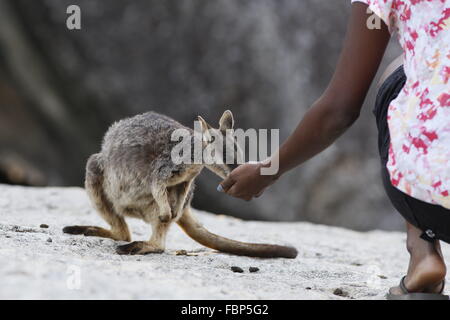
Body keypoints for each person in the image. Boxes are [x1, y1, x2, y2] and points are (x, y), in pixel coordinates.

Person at [219, 1, 450, 299]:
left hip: (435, 205)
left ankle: (422, 252)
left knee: (400, 78)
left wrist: (267, 171)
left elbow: (338, 111)